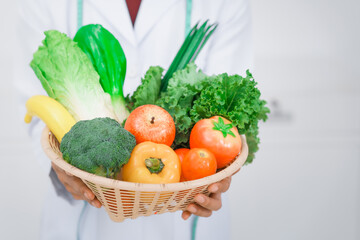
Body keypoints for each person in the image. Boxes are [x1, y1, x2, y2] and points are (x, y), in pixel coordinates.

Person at [13, 0, 253, 239]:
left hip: (183, 222)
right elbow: (32, 106)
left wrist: (218, 174)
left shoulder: (227, 4)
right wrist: (60, 170)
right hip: (83, 224)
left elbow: (230, 108)